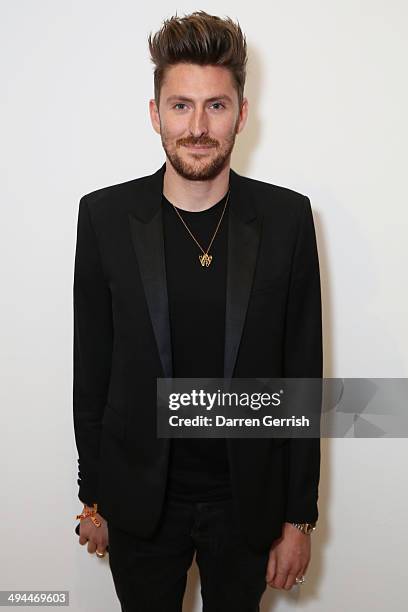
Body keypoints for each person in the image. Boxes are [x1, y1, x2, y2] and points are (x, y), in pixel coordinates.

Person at [73, 10, 323, 612]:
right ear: (156, 113)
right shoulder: (104, 218)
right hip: (138, 506)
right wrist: (93, 499)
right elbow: (92, 368)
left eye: (215, 106)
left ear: (241, 112)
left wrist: (299, 518)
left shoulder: (287, 220)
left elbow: (302, 375)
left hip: (247, 504)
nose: (198, 127)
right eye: (181, 106)